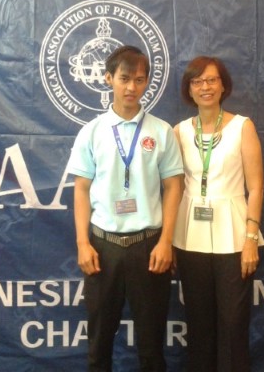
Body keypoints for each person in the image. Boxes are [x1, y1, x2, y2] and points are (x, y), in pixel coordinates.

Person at [67, 45, 184, 372]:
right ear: (108, 79)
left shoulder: (161, 131)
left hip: (149, 246)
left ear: (146, 82)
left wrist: (166, 242)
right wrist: (83, 243)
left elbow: (174, 187)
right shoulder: (92, 132)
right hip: (103, 247)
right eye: (124, 78)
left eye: (139, 80)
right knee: (99, 343)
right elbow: (81, 189)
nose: (132, 87)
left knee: (151, 346)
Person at [173, 56, 264, 372]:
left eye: (212, 80)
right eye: (197, 81)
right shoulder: (180, 131)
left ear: (223, 85)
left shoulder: (243, 127)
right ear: (189, 89)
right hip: (189, 238)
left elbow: (256, 187)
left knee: (233, 324)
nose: (205, 87)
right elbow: (174, 188)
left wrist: (250, 238)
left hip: (234, 237)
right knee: (198, 324)